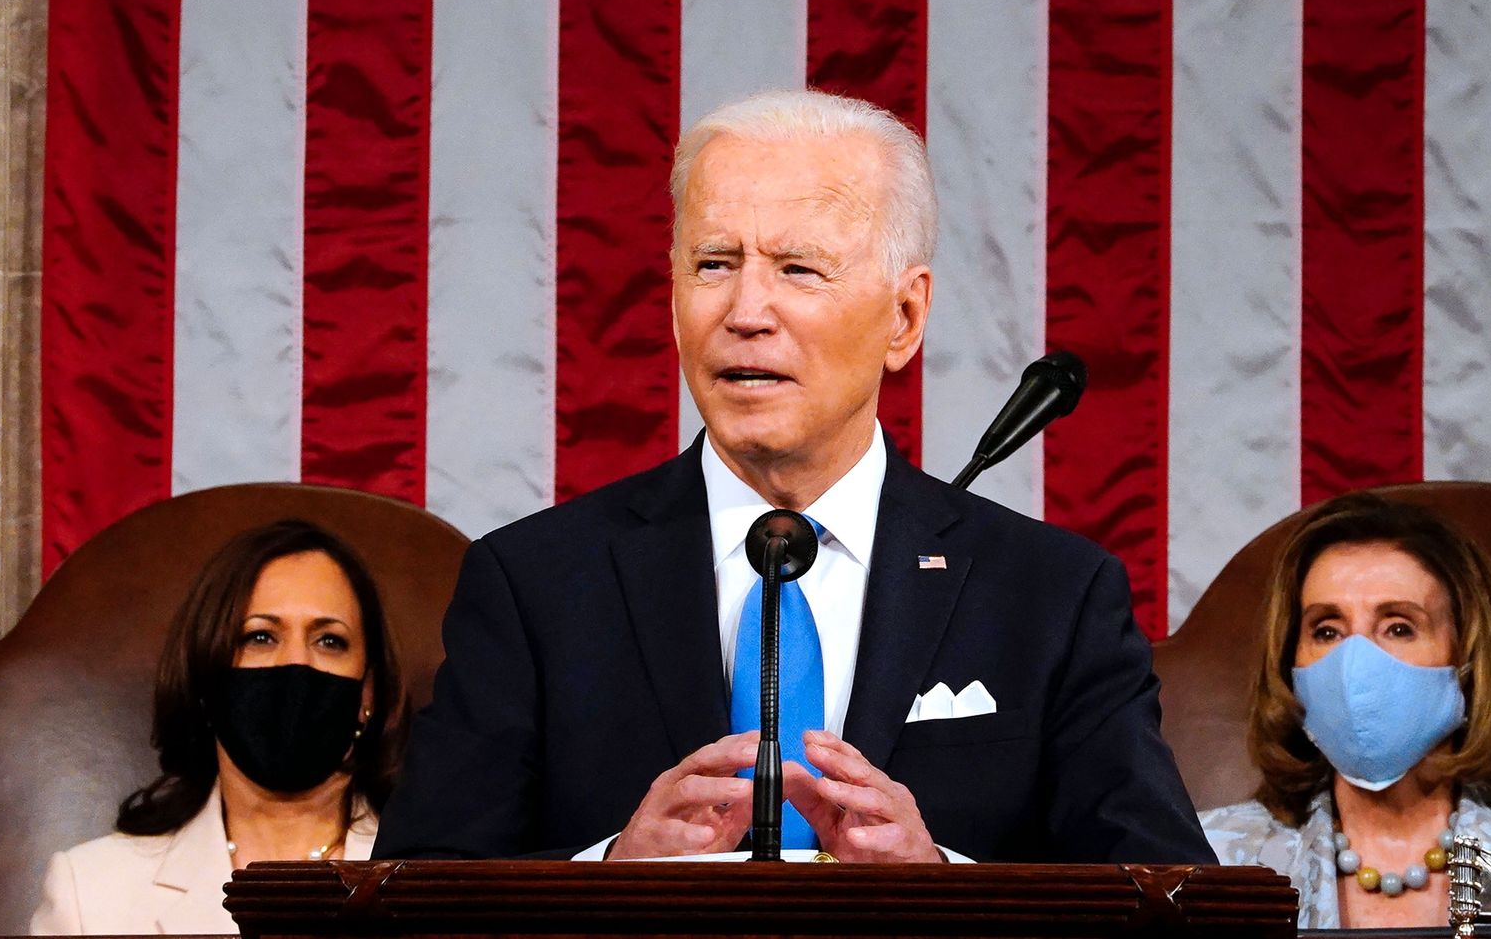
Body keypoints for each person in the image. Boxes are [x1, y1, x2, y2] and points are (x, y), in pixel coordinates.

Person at [373, 89, 1212, 864]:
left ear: (904, 316)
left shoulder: (1050, 598)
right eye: (713, 264)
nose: (744, 311)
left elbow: (1169, 902)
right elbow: (410, 900)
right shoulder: (536, 586)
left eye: (798, 269)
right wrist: (610, 875)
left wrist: (944, 886)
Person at [1201, 492, 1491, 930]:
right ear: (1290, 662)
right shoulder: (1209, 864)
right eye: (1326, 630)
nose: (1355, 663)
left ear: (1468, 658)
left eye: (1399, 627)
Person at [31, 520, 409, 934]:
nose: (296, 664)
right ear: (206, 676)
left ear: (368, 693)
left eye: (329, 641)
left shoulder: (431, 882)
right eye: (260, 637)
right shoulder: (89, 892)